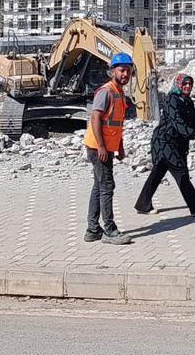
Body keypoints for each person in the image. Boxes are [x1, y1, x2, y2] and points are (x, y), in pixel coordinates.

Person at [135, 73, 195, 217]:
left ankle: (142, 204)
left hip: (177, 142)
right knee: (181, 171)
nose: (187, 86)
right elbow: (177, 122)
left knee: (157, 173)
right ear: (178, 84)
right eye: (185, 83)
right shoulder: (171, 99)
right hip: (164, 141)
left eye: (190, 84)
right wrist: (194, 134)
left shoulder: (187, 101)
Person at [83, 52, 134, 245]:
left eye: (128, 71)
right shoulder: (106, 91)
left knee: (99, 186)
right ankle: (109, 231)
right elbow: (95, 118)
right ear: (112, 71)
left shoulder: (119, 92)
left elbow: (116, 123)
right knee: (107, 187)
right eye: (122, 70)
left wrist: (119, 147)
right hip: (98, 148)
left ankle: (93, 230)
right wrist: (103, 147)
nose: (125, 74)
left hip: (105, 147)